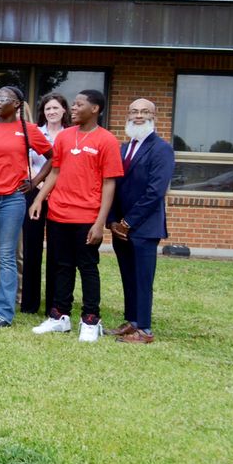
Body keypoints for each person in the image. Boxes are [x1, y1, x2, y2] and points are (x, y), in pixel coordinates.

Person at [29, 89, 121, 341]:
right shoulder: (65, 137)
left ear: (95, 109)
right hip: (58, 213)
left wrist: (100, 221)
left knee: (88, 267)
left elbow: (109, 184)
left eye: (80, 104)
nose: (74, 108)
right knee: (61, 266)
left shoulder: (107, 141)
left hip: (87, 217)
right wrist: (39, 198)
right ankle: (59, 317)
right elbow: (55, 172)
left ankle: (91, 320)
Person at [0, 86, 50, 328]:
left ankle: (3, 312)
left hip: (13, 199)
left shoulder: (28, 130)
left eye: (3, 98)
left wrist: (34, 182)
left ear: (16, 104)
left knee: (6, 256)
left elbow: (53, 157)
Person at [106, 98, 174, 344]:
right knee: (128, 276)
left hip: (144, 228)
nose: (138, 115)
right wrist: (113, 220)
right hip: (120, 227)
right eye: (134, 111)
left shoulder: (161, 149)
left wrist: (128, 222)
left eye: (145, 112)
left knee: (143, 279)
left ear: (154, 116)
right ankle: (132, 321)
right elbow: (113, 184)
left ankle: (144, 329)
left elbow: (155, 191)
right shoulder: (123, 148)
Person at [21, 93, 70, 314]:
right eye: (48, 108)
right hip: (34, 193)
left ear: (64, 111)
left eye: (55, 108)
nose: (51, 112)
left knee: (57, 251)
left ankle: (54, 303)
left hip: (60, 195)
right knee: (31, 249)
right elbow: (26, 161)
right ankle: (30, 303)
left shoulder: (69, 135)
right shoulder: (34, 133)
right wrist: (36, 184)